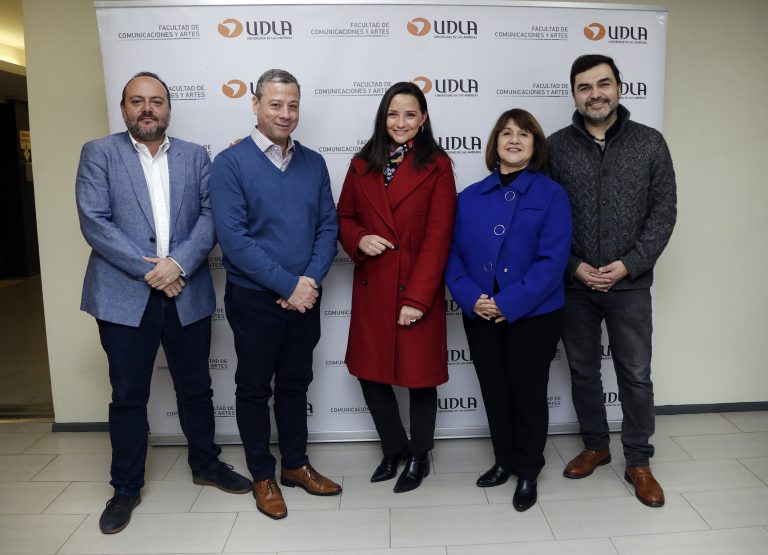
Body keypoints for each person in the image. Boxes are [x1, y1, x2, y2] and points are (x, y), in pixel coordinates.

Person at [76, 72, 251, 535]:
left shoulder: (196, 156)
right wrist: (154, 270)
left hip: (186, 291)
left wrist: (178, 264)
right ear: (124, 107)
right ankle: (126, 487)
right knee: (129, 395)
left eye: (156, 101)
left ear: (169, 108)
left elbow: (213, 217)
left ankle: (206, 464)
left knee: (196, 387)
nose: (147, 109)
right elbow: (94, 221)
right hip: (122, 296)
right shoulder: (99, 153)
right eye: (138, 101)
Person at [209, 69, 340, 520]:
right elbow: (234, 239)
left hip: (305, 296)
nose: (285, 114)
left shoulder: (314, 163)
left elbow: (328, 227)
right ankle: (262, 474)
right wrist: (289, 286)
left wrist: (308, 282)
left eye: (292, 105)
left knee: (295, 384)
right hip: (255, 300)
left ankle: (296, 466)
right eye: (275, 104)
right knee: (252, 388)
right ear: (255, 105)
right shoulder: (230, 164)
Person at [547, 54, 677, 507]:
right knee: (583, 372)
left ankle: (638, 459)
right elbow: (541, 220)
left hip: (630, 284)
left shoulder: (650, 143)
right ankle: (597, 446)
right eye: (585, 86)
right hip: (575, 283)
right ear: (574, 94)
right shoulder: (556, 147)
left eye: (603, 83)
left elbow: (663, 214)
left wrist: (629, 264)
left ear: (619, 87)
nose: (595, 93)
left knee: (635, 376)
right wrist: (573, 266)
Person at [445, 109, 572, 511]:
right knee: (495, 392)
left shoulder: (551, 195)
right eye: (506, 133)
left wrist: (508, 301)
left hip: (533, 314)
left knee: (529, 393)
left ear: (535, 146)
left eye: (524, 134)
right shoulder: (469, 196)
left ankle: (529, 469)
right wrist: (470, 297)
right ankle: (503, 460)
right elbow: (451, 256)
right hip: (481, 313)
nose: (514, 140)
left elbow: (552, 262)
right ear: (495, 142)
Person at [337, 82, 456, 493]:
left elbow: (439, 237)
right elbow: (344, 217)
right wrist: (358, 239)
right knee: (371, 373)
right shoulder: (361, 164)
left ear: (423, 119)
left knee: (420, 378)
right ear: (382, 118)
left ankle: (420, 455)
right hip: (373, 285)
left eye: (409, 114)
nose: (400, 122)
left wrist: (417, 299)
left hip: (415, 288)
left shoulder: (438, 165)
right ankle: (393, 448)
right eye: (393, 114)